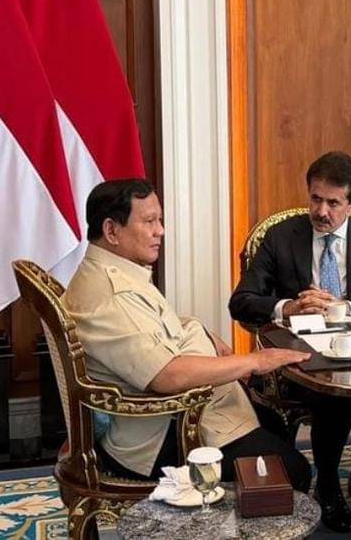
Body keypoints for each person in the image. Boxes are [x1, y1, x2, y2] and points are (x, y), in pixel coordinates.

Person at [62, 178, 313, 492]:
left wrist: (202, 332)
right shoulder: (112, 296)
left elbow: (149, 328)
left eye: (160, 220)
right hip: (153, 440)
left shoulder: (109, 271)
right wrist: (255, 361)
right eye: (149, 222)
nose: (160, 231)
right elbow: (167, 375)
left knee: (271, 421)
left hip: (158, 422)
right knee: (293, 471)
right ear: (112, 231)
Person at [228, 151, 351, 531]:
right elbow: (240, 301)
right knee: (333, 394)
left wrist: (343, 307)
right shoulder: (281, 237)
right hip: (300, 358)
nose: (321, 211)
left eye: (333, 203)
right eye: (316, 199)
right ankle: (328, 485)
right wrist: (288, 307)